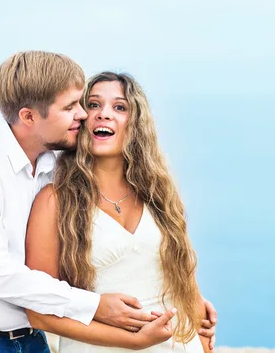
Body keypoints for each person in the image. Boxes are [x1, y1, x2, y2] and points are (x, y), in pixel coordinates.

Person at [0, 52, 217, 353]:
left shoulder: (52, 161)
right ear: (29, 117)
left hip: (26, 339)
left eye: (83, 104)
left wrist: (187, 302)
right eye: (75, 106)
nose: (85, 115)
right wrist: (98, 308)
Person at [25, 71, 212, 352]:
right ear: (80, 120)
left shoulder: (161, 196)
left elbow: (187, 291)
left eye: (119, 107)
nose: (104, 114)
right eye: (94, 105)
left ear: (135, 124)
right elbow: (39, 312)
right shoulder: (54, 201)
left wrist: (204, 334)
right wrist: (135, 341)